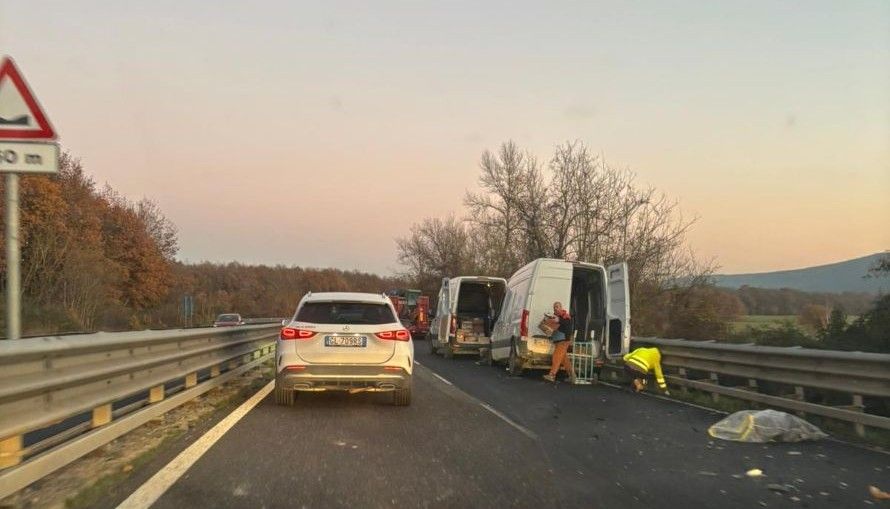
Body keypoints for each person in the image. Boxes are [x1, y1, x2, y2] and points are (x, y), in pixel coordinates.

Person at [543, 302, 574, 383]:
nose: (555, 308)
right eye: (554, 307)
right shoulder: (555, 317)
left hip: (563, 340)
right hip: (558, 340)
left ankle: (552, 375)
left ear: (561, 307)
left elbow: (567, 324)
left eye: (557, 307)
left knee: (556, 357)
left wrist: (559, 320)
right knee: (564, 359)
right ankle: (572, 376)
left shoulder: (565, 316)